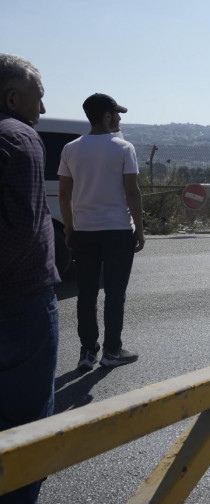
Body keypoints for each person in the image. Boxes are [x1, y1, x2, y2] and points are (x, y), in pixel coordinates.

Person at [0, 53, 60, 504]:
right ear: (13, 97)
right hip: (20, 304)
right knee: (26, 424)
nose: (41, 109)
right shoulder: (19, 138)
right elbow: (21, 232)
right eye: (37, 99)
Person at [58, 93, 145, 370]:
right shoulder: (123, 148)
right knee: (115, 293)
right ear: (106, 116)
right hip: (117, 230)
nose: (119, 118)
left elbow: (64, 195)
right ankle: (112, 351)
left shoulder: (71, 149)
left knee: (86, 293)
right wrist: (139, 229)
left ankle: (87, 352)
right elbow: (132, 192)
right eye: (117, 114)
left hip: (84, 231)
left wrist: (69, 228)